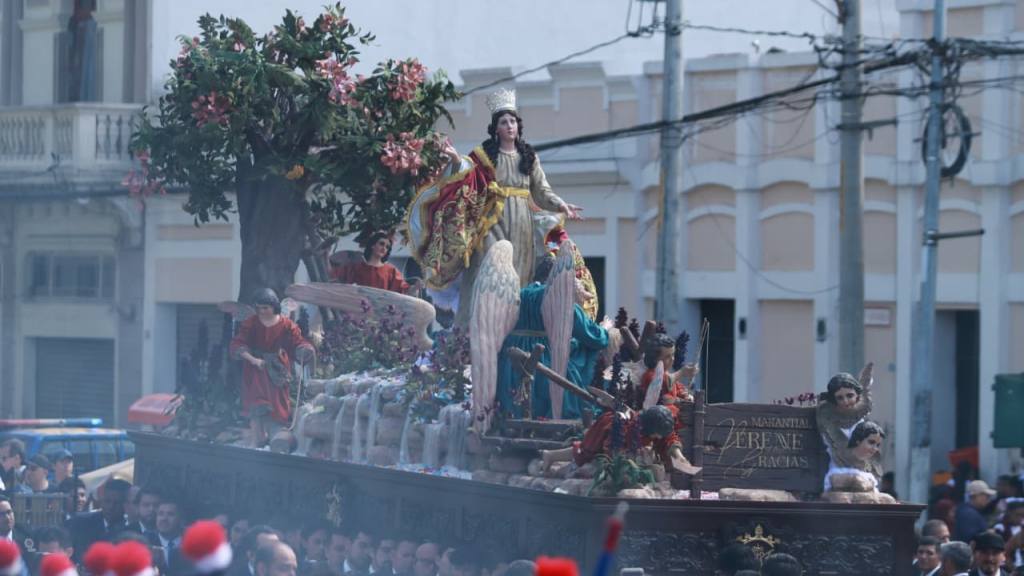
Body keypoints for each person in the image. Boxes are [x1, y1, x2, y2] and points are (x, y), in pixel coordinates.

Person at [406, 88, 582, 323]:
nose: (509, 126)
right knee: (485, 270)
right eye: (503, 122)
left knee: (518, 274)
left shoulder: (529, 157)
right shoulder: (483, 155)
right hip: (492, 219)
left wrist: (561, 205)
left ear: (518, 126)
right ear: (496, 128)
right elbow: (469, 177)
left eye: (512, 121)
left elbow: (541, 191)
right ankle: (473, 327)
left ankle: (511, 328)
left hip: (521, 223)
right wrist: (457, 161)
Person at [494, 259, 609, 420]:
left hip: (510, 363)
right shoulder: (558, 296)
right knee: (584, 352)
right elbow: (593, 337)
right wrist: (606, 330)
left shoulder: (517, 294)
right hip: (545, 360)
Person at [230, 288, 315, 447]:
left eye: (265, 308)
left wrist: (304, 349)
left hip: (278, 369)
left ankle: (276, 438)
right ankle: (257, 439)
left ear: (274, 306)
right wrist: (253, 359)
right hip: (256, 369)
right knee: (256, 404)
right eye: (259, 308)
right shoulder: (251, 323)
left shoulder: (286, 324)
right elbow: (239, 343)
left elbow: (297, 341)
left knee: (278, 406)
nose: (261, 311)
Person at [541, 405, 699, 476]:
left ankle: (551, 455)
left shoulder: (657, 424)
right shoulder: (629, 428)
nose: (658, 438)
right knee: (585, 452)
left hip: (622, 443)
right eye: (657, 434)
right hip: (607, 430)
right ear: (651, 429)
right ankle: (551, 456)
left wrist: (678, 456)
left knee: (585, 453)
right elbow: (612, 449)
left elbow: (668, 438)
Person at [331, 231, 422, 295]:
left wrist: (416, 287)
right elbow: (332, 276)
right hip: (355, 311)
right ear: (372, 245)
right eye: (381, 244)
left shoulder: (391, 271)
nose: (384, 248)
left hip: (380, 313)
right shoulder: (356, 267)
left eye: (387, 247)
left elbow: (404, 291)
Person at [67, 478, 130, 561]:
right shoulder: (80, 523)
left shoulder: (129, 529)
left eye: (117, 503)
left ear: (125, 504)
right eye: (107, 501)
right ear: (102, 500)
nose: (111, 507)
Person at [823, 420, 885, 493]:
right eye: (871, 442)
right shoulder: (839, 461)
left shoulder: (868, 467)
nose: (875, 449)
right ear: (858, 440)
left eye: (877, 445)